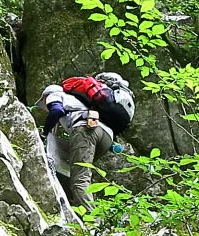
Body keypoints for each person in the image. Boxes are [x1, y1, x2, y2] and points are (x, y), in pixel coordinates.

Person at [39, 72, 135, 212]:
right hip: (107, 138)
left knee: (80, 178)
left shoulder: (55, 95)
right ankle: (76, 206)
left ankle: (92, 222)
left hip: (87, 129)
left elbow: (56, 111)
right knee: (77, 170)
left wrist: (44, 133)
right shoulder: (82, 101)